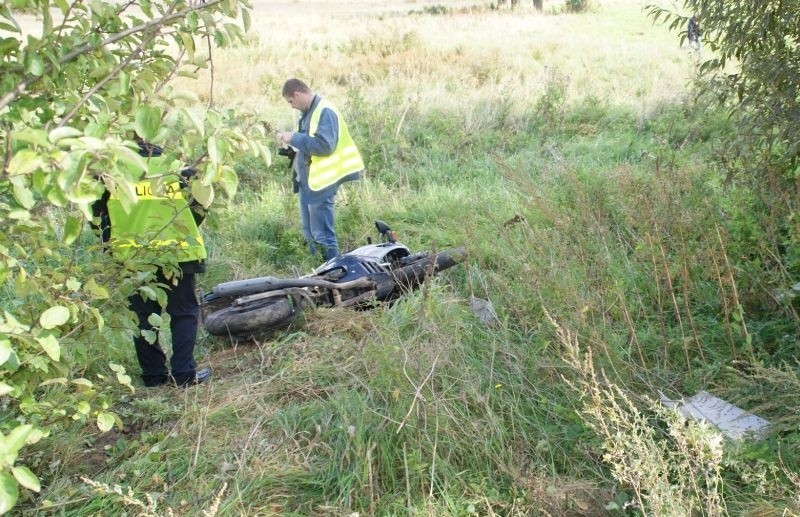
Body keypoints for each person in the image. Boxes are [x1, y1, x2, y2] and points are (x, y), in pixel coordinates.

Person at [92, 138, 212, 387]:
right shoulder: (178, 168)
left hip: (132, 258)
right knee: (184, 314)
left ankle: (154, 376)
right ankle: (184, 375)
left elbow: (97, 217)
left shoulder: (110, 173)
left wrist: (111, 249)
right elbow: (200, 207)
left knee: (143, 317)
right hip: (178, 254)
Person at [277, 78, 365, 261]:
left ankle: (334, 275)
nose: (291, 107)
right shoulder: (310, 111)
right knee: (310, 233)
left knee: (323, 235)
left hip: (323, 181)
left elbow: (324, 146)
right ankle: (317, 273)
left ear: (297, 94)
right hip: (309, 181)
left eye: (291, 102)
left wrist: (294, 138)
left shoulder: (325, 111)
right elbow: (309, 143)